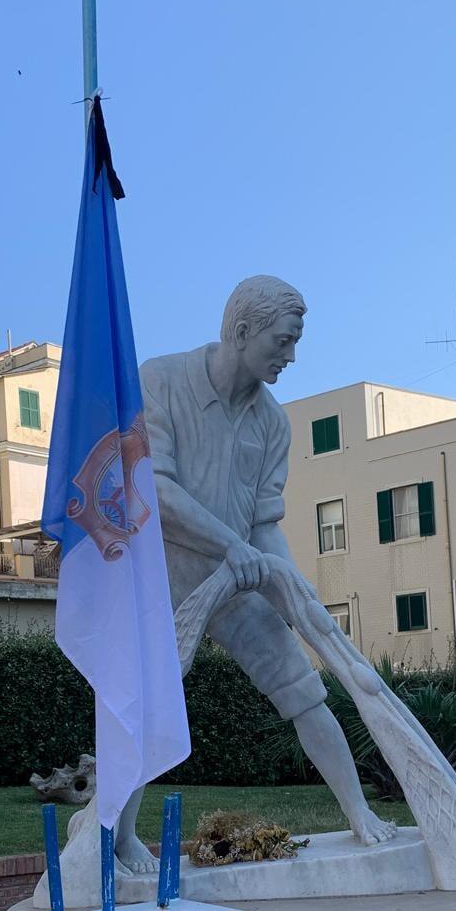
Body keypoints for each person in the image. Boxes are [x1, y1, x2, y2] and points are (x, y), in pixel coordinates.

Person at [112, 276, 397, 872]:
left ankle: (359, 814)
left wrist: (292, 589)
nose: (291, 356)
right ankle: (118, 837)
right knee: (148, 705)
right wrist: (231, 546)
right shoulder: (159, 380)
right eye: (284, 341)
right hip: (164, 580)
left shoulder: (273, 424)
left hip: (240, 583)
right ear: (243, 333)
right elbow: (154, 490)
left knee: (305, 691)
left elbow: (265, 521)